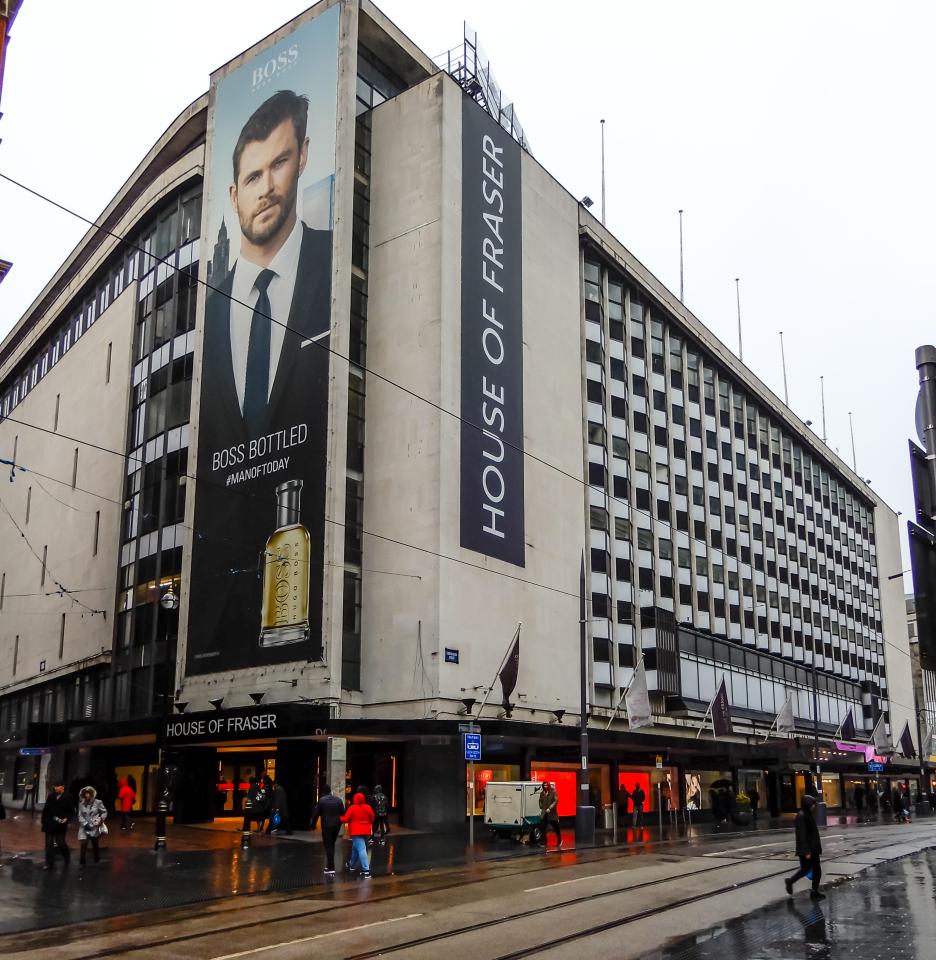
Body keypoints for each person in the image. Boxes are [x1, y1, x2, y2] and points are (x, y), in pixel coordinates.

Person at [189, 89, 333, 671]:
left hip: (304, 594)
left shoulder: (332, 265)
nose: (267, 186)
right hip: (213, 616)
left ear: (303, 156)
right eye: (252, 175)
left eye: (279, 163)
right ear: (232, 193)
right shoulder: (213, 300)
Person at [784, 794, 824, 901]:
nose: (814, 806)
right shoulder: (802, 816)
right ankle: (792, 882)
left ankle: (813, 891)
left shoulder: (807, 814)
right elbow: (802, 835)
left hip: (812, 848)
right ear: (807, 804)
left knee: (813, 870)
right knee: (808, 870)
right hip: (808, 850)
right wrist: (806, 851)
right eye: (812, 804)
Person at [311, 784, 345, 876]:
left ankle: (331, 867)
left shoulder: (322, 801)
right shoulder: (338, 800)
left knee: (328, 846)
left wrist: (313, 825)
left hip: (326, 826)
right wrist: (340, 823)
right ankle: (329, 866)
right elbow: (343, 813)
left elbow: (316, 814)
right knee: (331, 845)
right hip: (336, 826)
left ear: (323, 792)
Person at [340, 790, 375, 878]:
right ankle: (351, 865)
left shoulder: (352, 808)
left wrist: (338, 818)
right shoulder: (368, 807)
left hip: (356, 832)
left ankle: (366, 870)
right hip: (366, 831)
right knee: (355, 849)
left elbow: (345, 819)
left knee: (361, 849)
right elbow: (372, 818)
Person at [41, 780, 74, 870]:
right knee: (49, 844)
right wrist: (43, 821)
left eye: (57, 786)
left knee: (60, 843)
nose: (55, 788)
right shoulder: (51, 796)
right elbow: (46, 810)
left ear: (62, 787)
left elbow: (71, 811)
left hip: (60, 824)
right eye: (54, 786)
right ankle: (49, 863)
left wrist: (67, 819)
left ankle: (66, 855)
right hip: (50, 823)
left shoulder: (68, 797)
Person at [76, 786, 107, 866]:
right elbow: (80, 815)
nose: (87, 795)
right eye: (85, 794)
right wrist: (84, 823)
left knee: (94, 842)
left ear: (92, 794)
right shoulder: (81, 803)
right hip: (84, 825)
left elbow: (104, 812)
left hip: (94, 825)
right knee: (84, 842)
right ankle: (82, 860)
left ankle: (96, 857)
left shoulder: (98, 802)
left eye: (88, 794)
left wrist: (100, 819)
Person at [538, 782, 562, 849]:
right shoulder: (542, 793)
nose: (545, 786)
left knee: (556, 828)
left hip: (552, 813)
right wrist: (541, 806)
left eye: (546, 785)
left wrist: (550, 808)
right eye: (544, 785)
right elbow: (540, 800)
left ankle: (559, 841)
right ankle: (544, 842)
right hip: (544, 813)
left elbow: (555, 801)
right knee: (542, 827)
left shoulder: (553, 792)